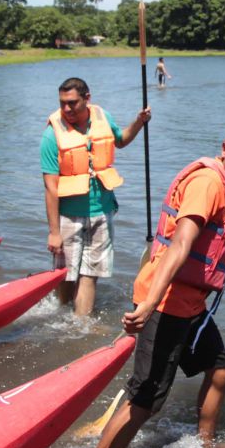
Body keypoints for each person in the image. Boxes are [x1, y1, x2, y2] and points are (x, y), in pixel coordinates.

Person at [66, 118, 225, 448]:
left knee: (220, 368)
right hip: (166, 303)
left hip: (190, 303)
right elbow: (179, 245)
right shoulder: (209, 184)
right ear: (224, 150)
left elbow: (207, 240)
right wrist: (149, 303)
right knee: (144, 402)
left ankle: (204, 446)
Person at [40, 77, 151, 317]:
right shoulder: (52, 135)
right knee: (66, 275)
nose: (66, 109)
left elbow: (120, 140)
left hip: (102, 210)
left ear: (87, 99)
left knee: (90, 273)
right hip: (69, 216)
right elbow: (50, 187)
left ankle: (80, 327)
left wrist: (140, 122)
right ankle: (61, 314)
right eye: (62, 103)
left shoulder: (102, 117)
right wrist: (54, 232)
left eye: (72, 103)